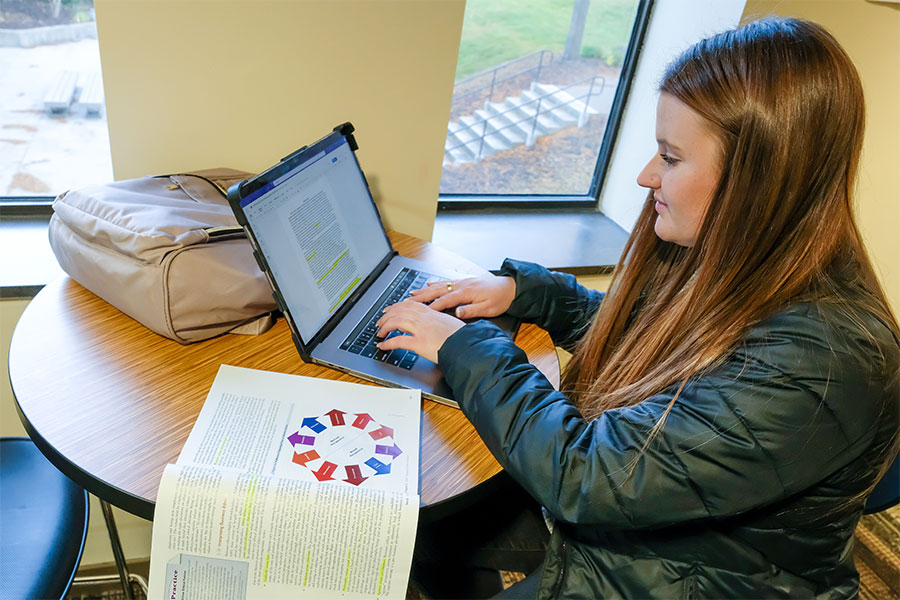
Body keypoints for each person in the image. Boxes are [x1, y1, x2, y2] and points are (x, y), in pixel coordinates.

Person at [377, 16, 900, 599]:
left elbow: (587, 475)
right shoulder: (753, 262)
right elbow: (657, 339)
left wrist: (463, 345)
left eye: (671, 158)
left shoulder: (821, 360)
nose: (646, 175)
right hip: (660, 542)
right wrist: (530, 294)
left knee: (450, 510)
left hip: (687, 579)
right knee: (434, 526)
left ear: (759, 178)